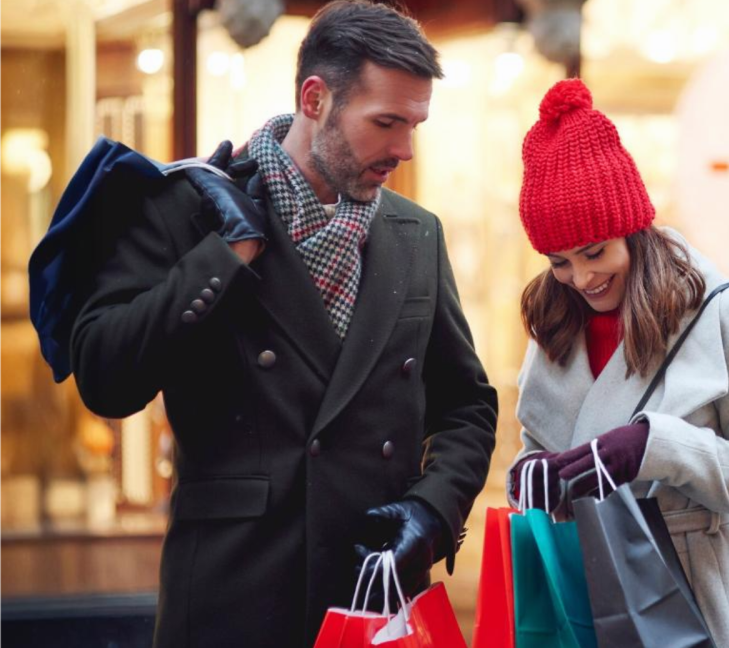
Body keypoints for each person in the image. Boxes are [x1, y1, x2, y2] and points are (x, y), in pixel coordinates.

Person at [68, 2, 498, 646]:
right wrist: (222, 256)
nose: (404, 150)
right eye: (385, 122)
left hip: (371, 595)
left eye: (414, 124)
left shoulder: (417, 234)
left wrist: (432, 511)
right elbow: (105, 378)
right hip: (233, 600)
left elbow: (466, 405)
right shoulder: (187, 211)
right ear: (315, 98)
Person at [508, 78, 729, 648]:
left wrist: (657, 448)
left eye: (596, 252)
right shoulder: (555, 321)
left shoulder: (724, 313)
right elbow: (541, 448)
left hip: (695, 600)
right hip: (577, 596)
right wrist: (533, 475)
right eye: (560, 262)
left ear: (632, 227)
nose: (583, 278)